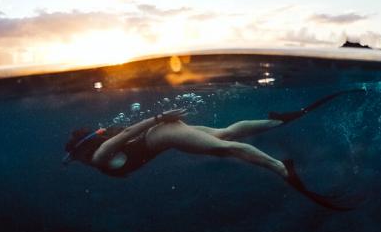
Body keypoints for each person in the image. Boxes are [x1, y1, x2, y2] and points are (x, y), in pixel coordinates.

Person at [63, 90, 361, 211]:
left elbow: (128, 132)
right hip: (167, 131)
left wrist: (160, 119)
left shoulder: (100, 157)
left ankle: (283, 169)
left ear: (82, 151)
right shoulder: (98, 155)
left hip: (167, 132)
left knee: (224, 147)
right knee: (227, 133)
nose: (77, 161)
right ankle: (280, 118)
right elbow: (128, 134)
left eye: (75, 157)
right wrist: (161, 121)